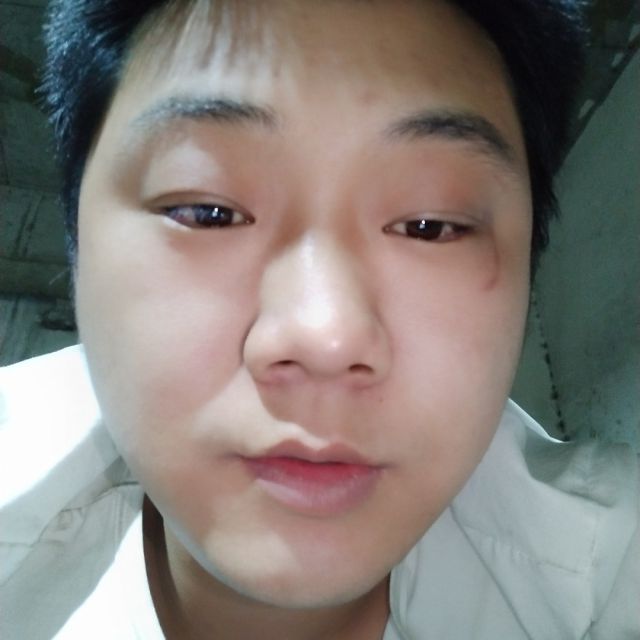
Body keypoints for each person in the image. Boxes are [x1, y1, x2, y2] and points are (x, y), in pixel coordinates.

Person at [1, 0, 638, 638]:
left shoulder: (606, 578)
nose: (326, 338)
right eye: (208, 212)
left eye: (430, 225)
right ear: (78, 252)